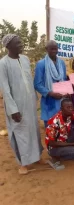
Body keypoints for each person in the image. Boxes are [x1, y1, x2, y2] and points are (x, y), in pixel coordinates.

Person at [0, 34, 44, 175]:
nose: (21, 45)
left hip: (29, 103)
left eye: (21, 42)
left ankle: (36, 156)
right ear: (8, 46)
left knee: (33, 130)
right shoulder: (3, 63)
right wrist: (13, 109)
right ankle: (23, 163)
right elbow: (5, 89)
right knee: (20, 133)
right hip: (16, 106)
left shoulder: (25, 59)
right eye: (17, 43)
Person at [45, 99, 74, 170]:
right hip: (54, 147)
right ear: (61, 109)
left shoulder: (71, 114)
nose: (70, 109)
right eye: (67, 107)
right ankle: (56, 158)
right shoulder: (54, 122)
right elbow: (51, 143)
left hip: (65, 140)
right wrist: (73, 144)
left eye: (71, 107)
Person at [34, 40, 67, 127]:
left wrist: (66, 91)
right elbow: (37, 84)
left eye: (55, 49)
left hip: (62, 100)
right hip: (49, 101)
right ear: (46, 49)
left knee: (63, 127)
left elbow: (64, 79)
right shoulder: (41, 64)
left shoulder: (62, 63)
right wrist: (50, 93)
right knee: (51, 128)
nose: (54, 51)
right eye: (51, 49)